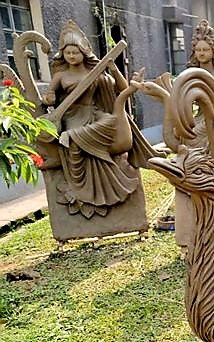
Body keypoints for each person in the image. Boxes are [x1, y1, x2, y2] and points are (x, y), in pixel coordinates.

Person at [41, 20, 152, 218]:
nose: (71, 56)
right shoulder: (60, 76)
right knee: (73, 139)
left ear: (84, 52)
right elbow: (50, 95)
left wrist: (113, 68)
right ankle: (78, 184)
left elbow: (122, 88)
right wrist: (48, 98)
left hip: (94, 113)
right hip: (71, 116)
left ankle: (73, 136)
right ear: (62, 54)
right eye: (68, 53)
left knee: (114, 120)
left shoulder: (95, 72)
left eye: (75, 52)